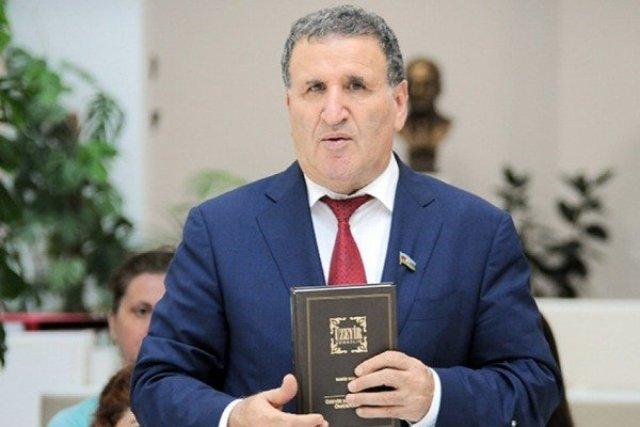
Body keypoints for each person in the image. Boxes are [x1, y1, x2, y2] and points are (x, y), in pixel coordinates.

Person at [131, 5, 560, 426]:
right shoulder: (222, 231)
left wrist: (435, 396)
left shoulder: (476, 232)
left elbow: (533, 385)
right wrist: (233, 419)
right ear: (290, 105)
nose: (333, 112)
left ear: (399, 103)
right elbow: (158, 381)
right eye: (315, 89)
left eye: (355, 86)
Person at [47, 249, 173, 427]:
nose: (154, 326)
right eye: (142, 311)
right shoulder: (70, 423)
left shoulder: (212, 414)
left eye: (169, 312)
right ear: (112, 323)